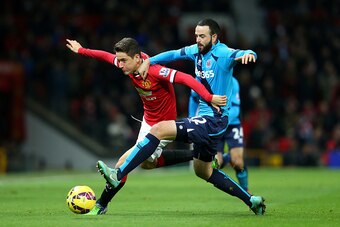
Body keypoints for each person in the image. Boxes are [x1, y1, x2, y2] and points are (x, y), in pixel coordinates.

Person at [97, 19, 266, 215]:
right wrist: (150, 61)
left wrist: (249, 54)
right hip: (206, 120)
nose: (198, 40)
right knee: (203, 171)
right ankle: (251, 201)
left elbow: (239, 53)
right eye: (196, 35)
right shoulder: (196, 51)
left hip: (215, 119)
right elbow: (173, 54)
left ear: (214, 37)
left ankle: (118, 174)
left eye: (202, 36)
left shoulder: (222, 53)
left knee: (159, 129)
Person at [66, 37, 226, 215]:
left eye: (124, 60)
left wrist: (209, 97)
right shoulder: (126, 64)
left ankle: (101, 204)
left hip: (163, 126)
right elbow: (104, 56)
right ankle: (196, 155)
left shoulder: (156, 71)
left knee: (123, 163)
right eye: (119, 60)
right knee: (148, 164)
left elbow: (186, 78)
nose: (120, 64)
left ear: (137, 58)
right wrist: (82, 50)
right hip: (148, 121)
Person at [189, 76, 249, 192]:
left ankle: (245, 189)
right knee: (217, 163)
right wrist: (192, 118)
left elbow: (236, 110)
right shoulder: (201, 79)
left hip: (231, 124)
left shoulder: (232, 81)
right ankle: (227, 157)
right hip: (213, 125)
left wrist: (220, 120)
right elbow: (193, 98)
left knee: (238, 162)